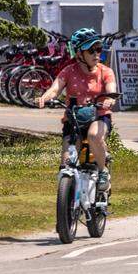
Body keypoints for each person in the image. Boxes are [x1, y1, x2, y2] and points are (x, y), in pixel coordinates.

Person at [36, 28, 117, 189]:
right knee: (66, 163)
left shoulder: (105, 72)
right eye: (91, 50)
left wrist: (109, 99)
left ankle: (103, 172)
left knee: (94, 135)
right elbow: (55, 88)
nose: (96, 54)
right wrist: (44, 97)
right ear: (79, 53)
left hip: (99, 116)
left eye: (98, 49)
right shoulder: (69, 71)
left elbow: (111, 89)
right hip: (74, 119)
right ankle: (69, 201)